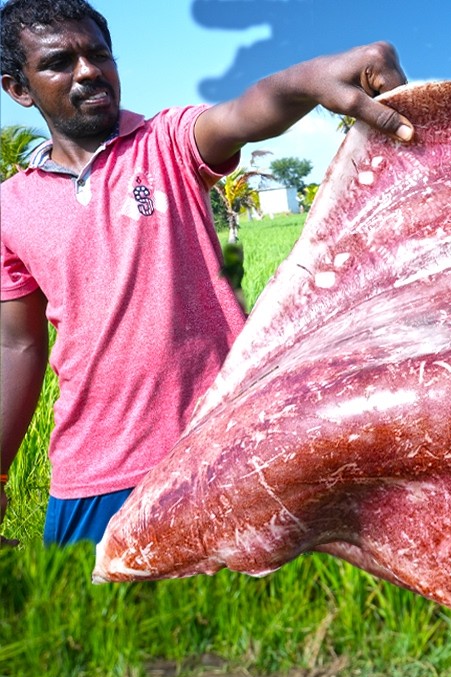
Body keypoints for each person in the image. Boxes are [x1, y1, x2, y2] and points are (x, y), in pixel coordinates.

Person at [0, 0, 414, 546]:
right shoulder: (11, 205)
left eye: (99, 54)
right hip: (91, 476)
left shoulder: (166, 142)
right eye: (59, 62)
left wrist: (307, 81)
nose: (88, 71)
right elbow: (16, 347)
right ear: (19, 89)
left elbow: (246, 110)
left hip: (221, 451)